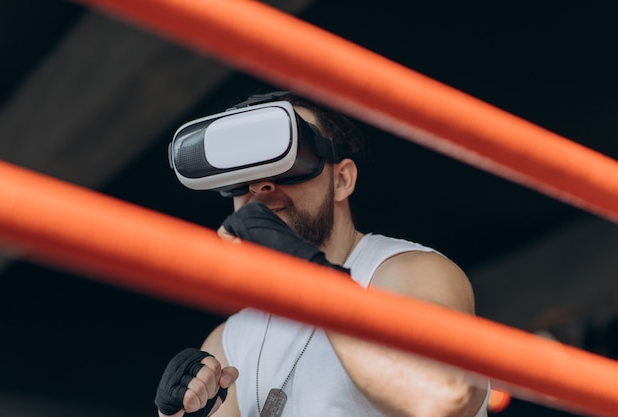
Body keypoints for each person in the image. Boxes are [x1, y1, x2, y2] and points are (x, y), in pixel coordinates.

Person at [155, 91, 490, 417]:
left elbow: (446, 397)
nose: (260, 187)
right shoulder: (229, 339)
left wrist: (313, 278)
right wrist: (181, 415)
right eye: (241, 178)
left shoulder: (408, 271)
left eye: (291, 163)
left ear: (342, 179)